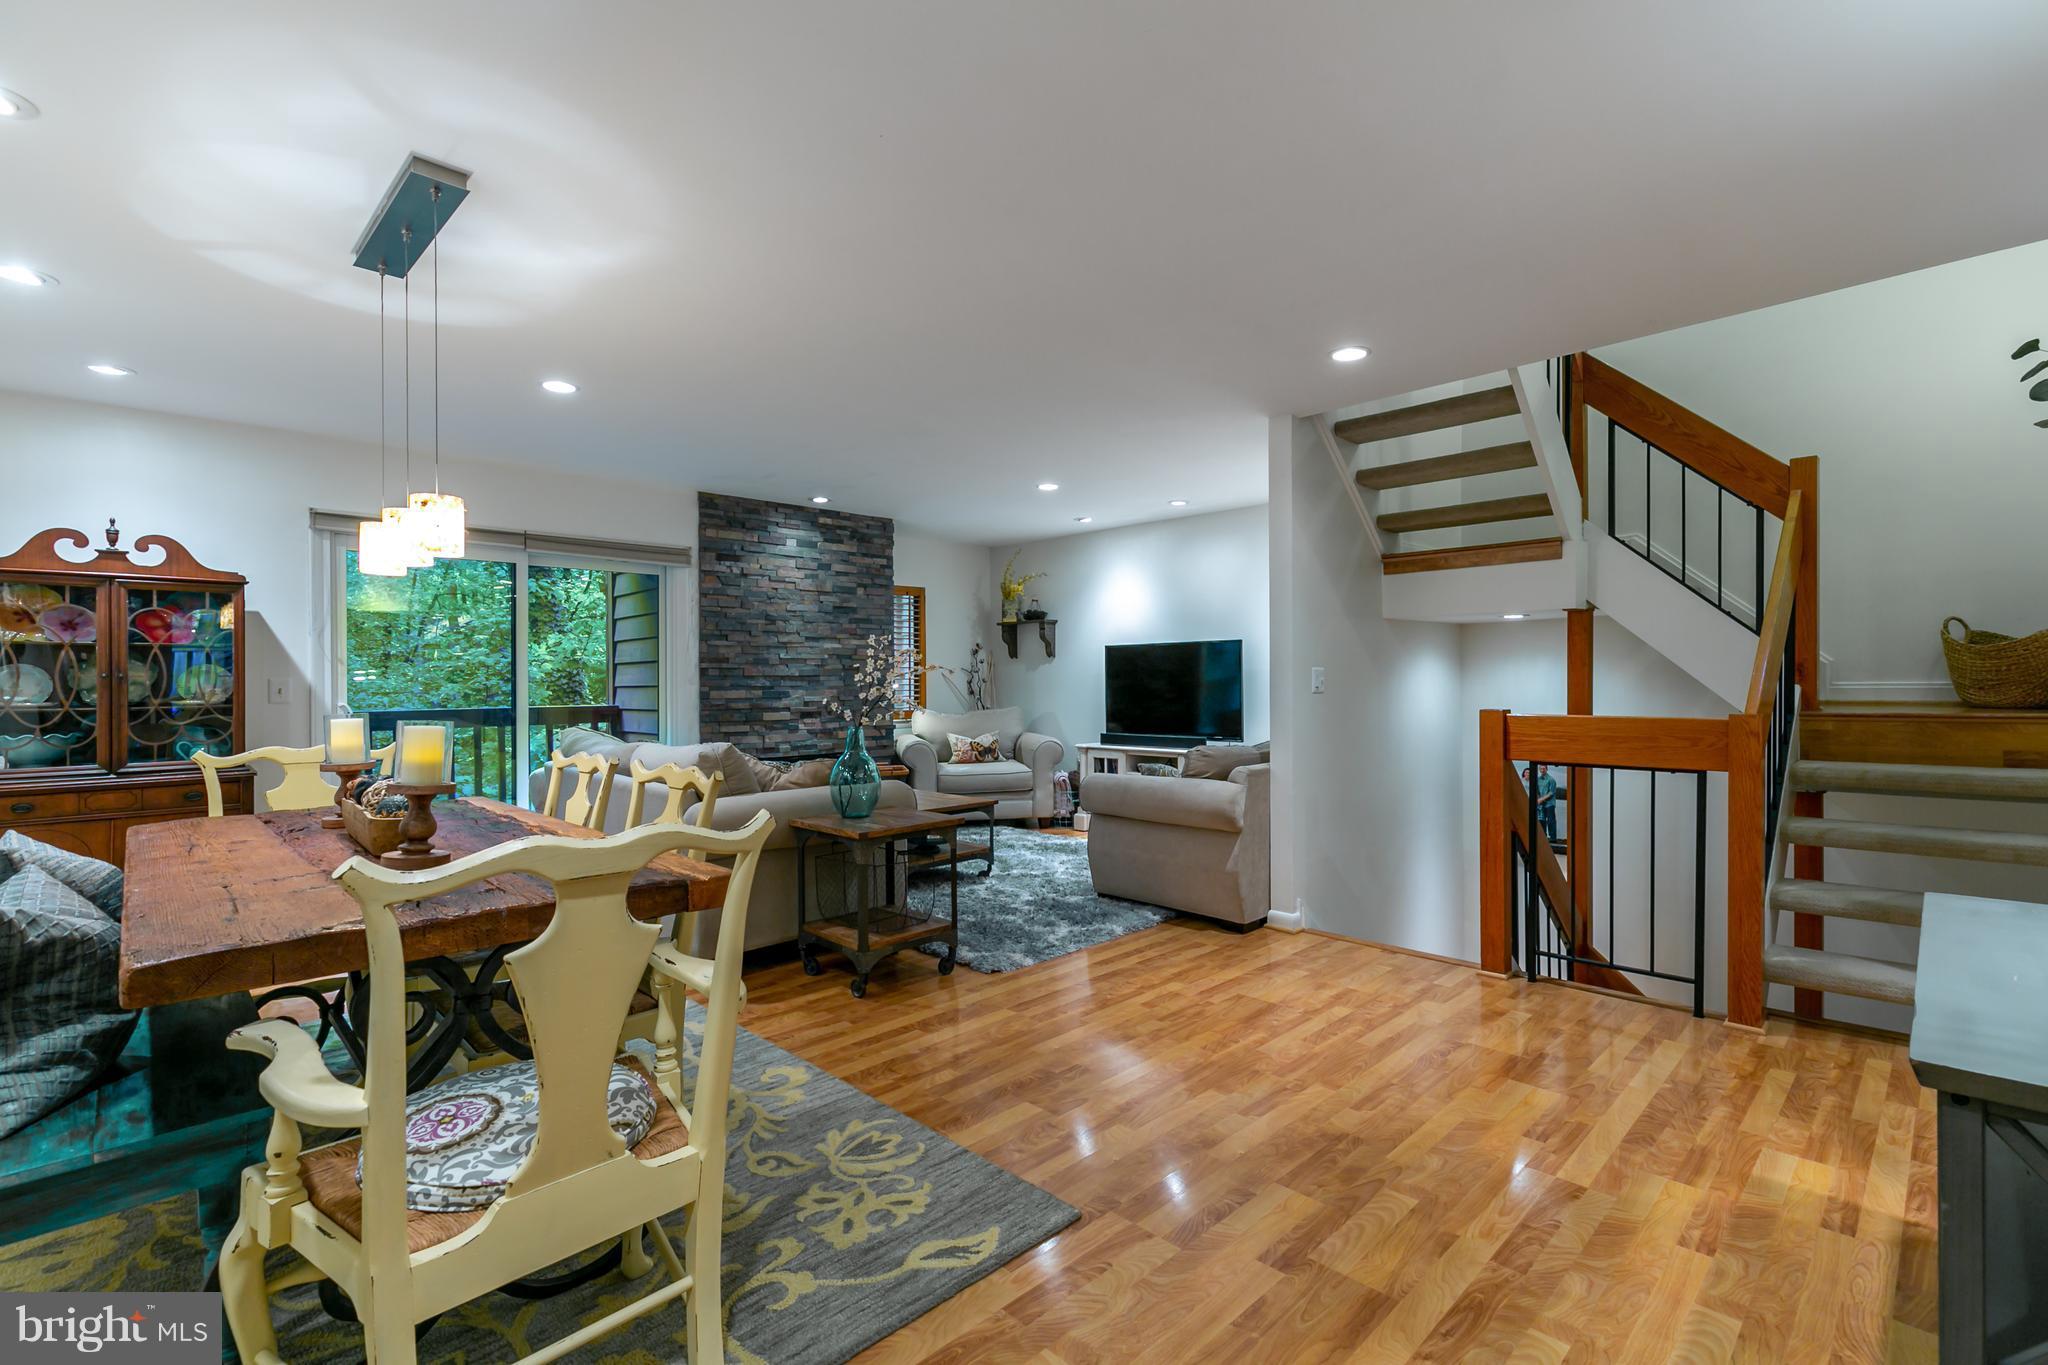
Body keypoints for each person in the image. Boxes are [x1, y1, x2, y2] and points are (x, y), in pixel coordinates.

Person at [1522, 763, 1560, 841]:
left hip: (1549, 804)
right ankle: (1543, 837)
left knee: (1550, 821)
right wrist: (1538, 799)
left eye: (1544, 769)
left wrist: (1541, 799)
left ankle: (1553, 838)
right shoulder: (1538, 779)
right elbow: (1537, 791)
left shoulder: (1551, 780)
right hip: (1540, 804)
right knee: (1541, 820)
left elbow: (1551, 793)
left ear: (1547, 769)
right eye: (1541, 769)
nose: (1542, 770)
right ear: (1539, 769)